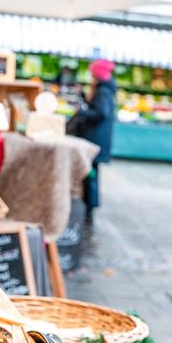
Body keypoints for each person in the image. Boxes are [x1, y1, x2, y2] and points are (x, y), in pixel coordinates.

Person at [73, 59, 117, 222]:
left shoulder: (103, 91)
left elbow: (100, 113)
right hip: (97, 139)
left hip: (95, 140)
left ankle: (90, 206)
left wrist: (82, 112)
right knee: (91, 173)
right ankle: (90, 204)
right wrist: (84, 97)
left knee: (91, 174)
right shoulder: (105, 89)